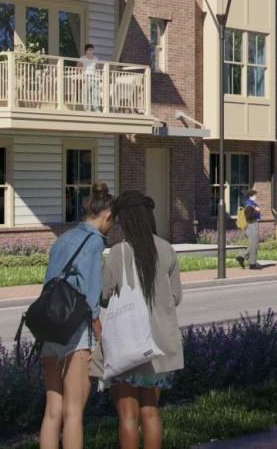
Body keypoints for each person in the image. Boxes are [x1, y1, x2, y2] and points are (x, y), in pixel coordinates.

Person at [101, 191, 183, 449]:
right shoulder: (167, 249)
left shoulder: (118, 253)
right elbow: (176, 297)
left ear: (124, 220)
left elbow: (103, 296)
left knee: (128, 416)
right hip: (159, 345)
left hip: (126, 345)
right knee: (151, 412)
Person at [40, 182, 115, 449]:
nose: (112, 227)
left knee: (53, 410)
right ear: (107, 215)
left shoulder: (64, 238)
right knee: (73, 412)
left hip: (49, 324)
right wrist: (101, 337)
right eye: (113, 222)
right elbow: (91, 298)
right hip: (75, 329)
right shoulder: (93, 242)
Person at [236, 190, 262, 270]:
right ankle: (252, 264)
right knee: (254, 245)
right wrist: (257, 211)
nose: (256, 197)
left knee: (253, 245)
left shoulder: (250, 204)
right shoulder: (249, 205)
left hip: (252, 225)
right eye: (255, 195)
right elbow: (249, 217)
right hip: (251, 226)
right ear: (251, 196)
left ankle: (243, 257)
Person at [78, 44, 101, 112]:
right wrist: (81, 77)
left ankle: (96, 108)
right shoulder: (82, 58)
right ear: (86, 51)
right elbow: (78, 68)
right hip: (85, 77)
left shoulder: (95, 58)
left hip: (94, 77)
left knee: (95, 93)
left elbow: (97, 68)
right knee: (85, 93)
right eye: (89, 49)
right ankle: (86, 108)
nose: (91, 51)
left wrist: (99, 76)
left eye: (92, 49)